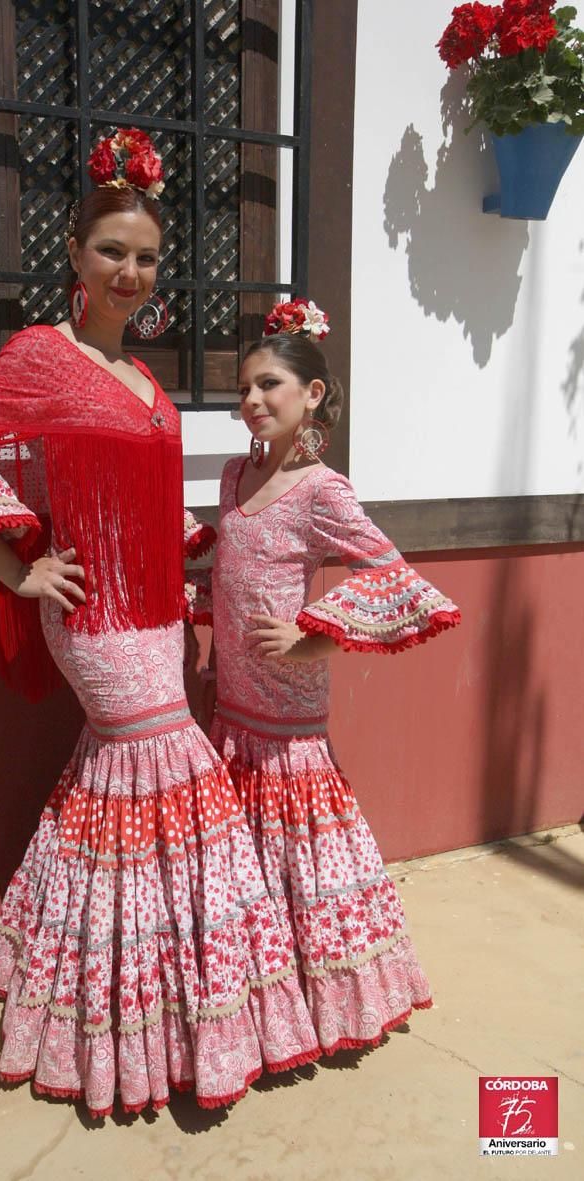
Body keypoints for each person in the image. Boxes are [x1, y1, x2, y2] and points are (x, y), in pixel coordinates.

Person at [0, 132, 321, 1118]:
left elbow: (148, 509)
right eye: (112, 249)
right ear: (72, 252)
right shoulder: (37, 357)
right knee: (169, 777)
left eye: (146, 257)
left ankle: (114, 991)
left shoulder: (148, 383)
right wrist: (18, 573)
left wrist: (225, 544)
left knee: (124, 796)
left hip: (154, 616)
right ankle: (135, 1020)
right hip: (95, 622)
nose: (130, 271)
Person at [201, 298, 461, 1054]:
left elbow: (393, 575)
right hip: (231, 705)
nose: (251, 400)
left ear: (311, 394)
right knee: (244, 862)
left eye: (270, 385)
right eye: (244, 388)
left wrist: (315, 639)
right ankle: (255, 1000)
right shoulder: (230, 475)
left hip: (287, 711)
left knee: (301, 858)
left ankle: (328, 1006)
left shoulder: (322, 490)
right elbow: (235, 564)